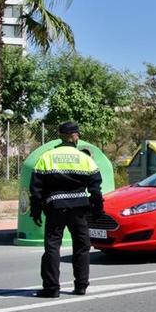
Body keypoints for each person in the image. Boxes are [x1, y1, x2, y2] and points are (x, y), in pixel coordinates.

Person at [29, 122, 104, 298]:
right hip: (79, 208)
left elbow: (36, 189)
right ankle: (81, 286)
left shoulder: (47, 157)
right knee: (82, 247)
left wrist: (36, 210)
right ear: (76, 136)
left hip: (55, 208)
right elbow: (95, 189)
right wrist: (98, 210)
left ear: (60, 135)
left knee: (52, 247)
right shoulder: (85, 158)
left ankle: (51, 288)